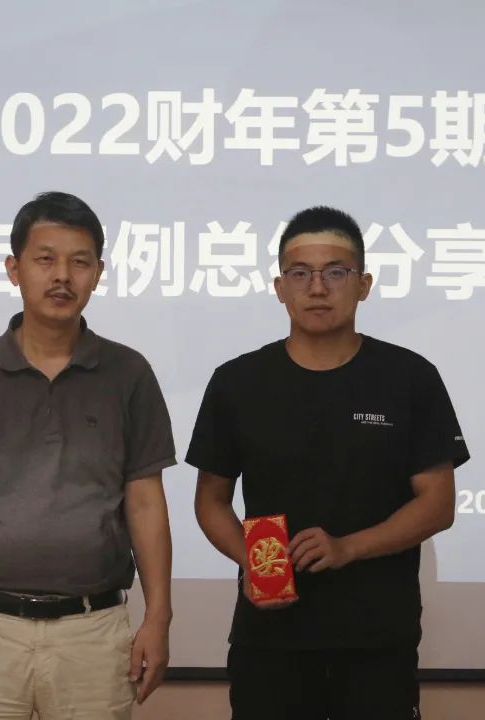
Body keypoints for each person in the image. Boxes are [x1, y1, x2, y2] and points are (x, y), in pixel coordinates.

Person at [187, 206, 469, 719]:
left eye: (335, 272)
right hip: (269, 637)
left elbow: (438, 504)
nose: (317, 288)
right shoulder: (237, 382)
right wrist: (251, 561)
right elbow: (211, 500)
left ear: (363, 284)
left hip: (376, 640)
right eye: (300, 273)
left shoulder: (410, 377)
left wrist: (347, 548)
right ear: (280, 287)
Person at [0, 191, 176, 720]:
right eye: (45, 259)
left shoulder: (129, 375)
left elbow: (146, 504)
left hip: (94, 633)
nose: (62, 277)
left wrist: (159, 617)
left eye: (80, 262)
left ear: (98, 274)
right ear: (15, 269)